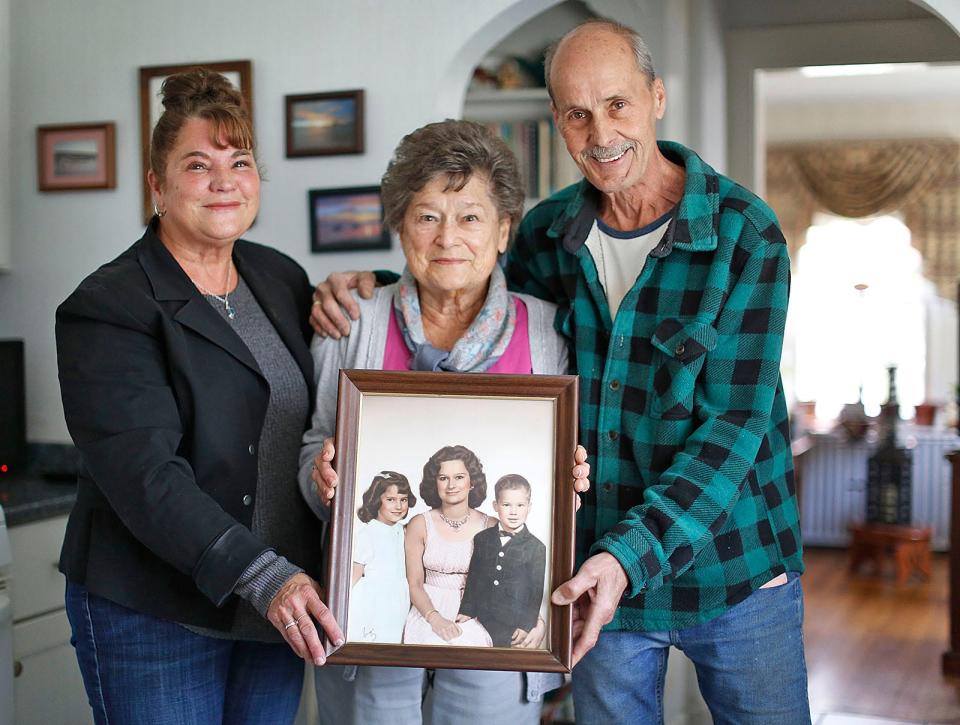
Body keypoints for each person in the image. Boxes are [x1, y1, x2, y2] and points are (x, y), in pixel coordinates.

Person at [310, 19, 809, 725]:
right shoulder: (548, 232)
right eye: (577, 113)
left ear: (657, 97)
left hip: (731, 566)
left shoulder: (743, 234)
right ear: (558, 121)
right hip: (598, 575)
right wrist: (376, 284)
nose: (599, 131)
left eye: (617, 105)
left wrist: (628, 555)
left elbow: (733, 426)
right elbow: (470, 282)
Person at [55, 69, 342, 724]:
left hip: (273, 616)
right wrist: (264, 575)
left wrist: (361, 281)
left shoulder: (280, 276)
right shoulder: (108, 307)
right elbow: (145, 475)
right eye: (197, 164)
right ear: (158, 185)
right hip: (155, 613)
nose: (224, 180)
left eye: (239, 161)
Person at [298, 119, 577, 725]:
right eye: (427, 216)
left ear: (504, 230)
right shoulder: (353, 320)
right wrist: (321, 479)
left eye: (471, 217)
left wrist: (568, 478)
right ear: (400, 228)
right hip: (370, 620)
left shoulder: (548, 332)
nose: (449, 236)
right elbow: (312, 445)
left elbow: (556, 483)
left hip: (496, 630)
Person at [401, 445, 496, 646]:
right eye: (443, 478)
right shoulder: (419, 524)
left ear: (472, 482)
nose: (451, 485)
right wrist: (434, 618)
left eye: (459, 477)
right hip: (427, 609)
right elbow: (414, 584)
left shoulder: (491, 525)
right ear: (434, 483)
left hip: (476, 612)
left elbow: (508, 581)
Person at [458, 474, 547, 648]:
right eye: (506, 505)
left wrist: (526, 625)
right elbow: (474, 576)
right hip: (482, 616)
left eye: (520, 505)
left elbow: (536, 592)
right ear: (496, 506)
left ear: (529, 507)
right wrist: (466, 610)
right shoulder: (482, 539)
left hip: (513, 622)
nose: (513, 512)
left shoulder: (537, 547)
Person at [349, 471, 415, 643]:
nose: (398, 506)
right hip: (375, 600)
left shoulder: (404, 531)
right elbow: (355, 575)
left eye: (403, 499)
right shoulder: (368, 533)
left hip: (398, 597)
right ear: (377, 499)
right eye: (391, 500)